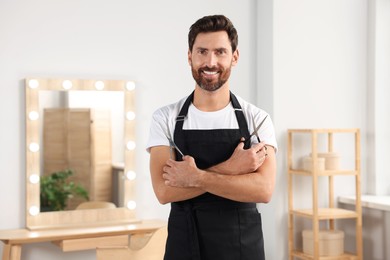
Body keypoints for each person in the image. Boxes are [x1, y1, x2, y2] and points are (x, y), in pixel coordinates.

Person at [146, 14, 277, 260]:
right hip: (185, 243)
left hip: (241, 246)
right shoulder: (165, 118)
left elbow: (263, 189)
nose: (210, 62)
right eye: (202, 52)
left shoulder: (257, 119)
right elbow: (164, 191)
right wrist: (231, 168)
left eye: (220, 52)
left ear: (234, 57)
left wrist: (193, 177)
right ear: (189, 56)